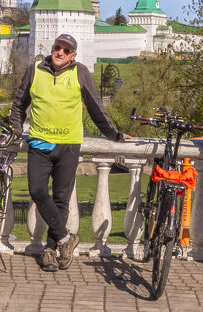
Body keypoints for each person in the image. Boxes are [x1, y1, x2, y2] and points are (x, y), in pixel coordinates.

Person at [9, 34, 128, 272]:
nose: (60, 52)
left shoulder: (80, 72)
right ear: (52, 49)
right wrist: (15, 130)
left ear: (73, 55)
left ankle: (52, 250)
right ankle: (66, 237)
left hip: (68, 145)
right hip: (40, 144)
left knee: (62, 198)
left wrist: (113, 134)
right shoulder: (34, 70)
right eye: (57, 47)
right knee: (37, 191)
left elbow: (95, 106)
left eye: (66, 50)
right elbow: (19, 104)